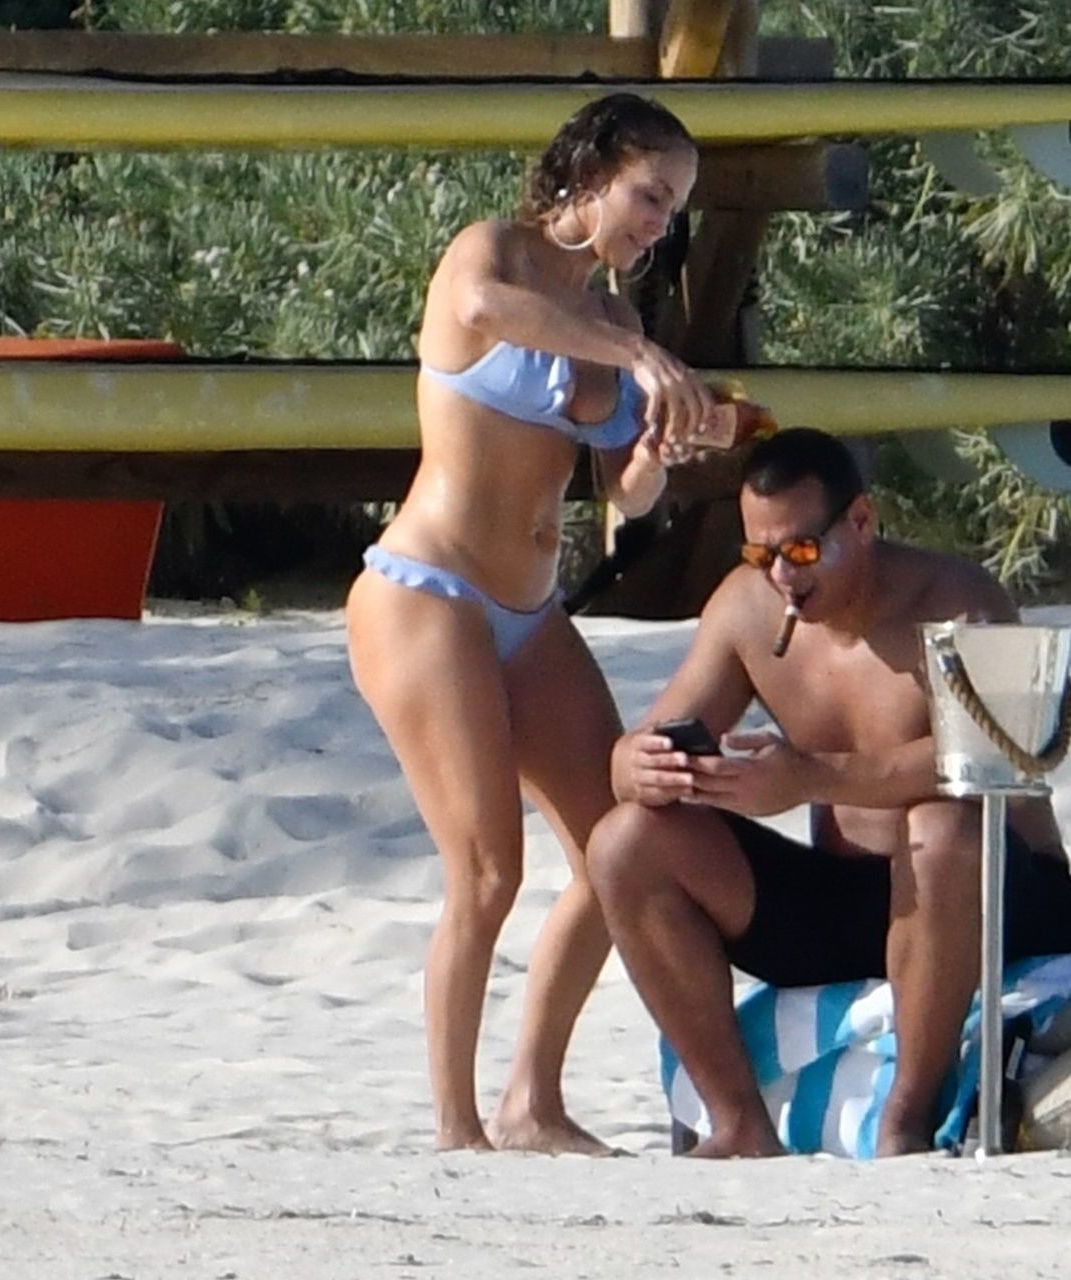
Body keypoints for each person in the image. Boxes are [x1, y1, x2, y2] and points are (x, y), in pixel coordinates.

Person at [345, 92, 714, 1154]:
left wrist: (659, 452)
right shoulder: (491, 253)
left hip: (530, 609)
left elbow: (623, 495)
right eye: (650, 195)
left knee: (619, 847)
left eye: (674, 208)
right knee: (488, 872)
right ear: (591, 173)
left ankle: (531, 1101)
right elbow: (490, 310)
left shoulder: (617, 323)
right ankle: (456, 1128)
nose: (659, 224)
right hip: (429, 591)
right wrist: (635, 359)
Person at [587, 427, 1071, 1158]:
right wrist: (638, 765)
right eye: (760, 555)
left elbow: (997, 760)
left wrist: (811, 779)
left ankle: (906, 1121)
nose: (782, 576)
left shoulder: (959, 601)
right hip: (846, 903)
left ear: (860, 521)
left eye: (800, 551)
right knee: (625, 842)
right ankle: (738, 1124)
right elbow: (641, 747)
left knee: (940, 827)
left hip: (990, 893)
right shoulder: (747, 611)